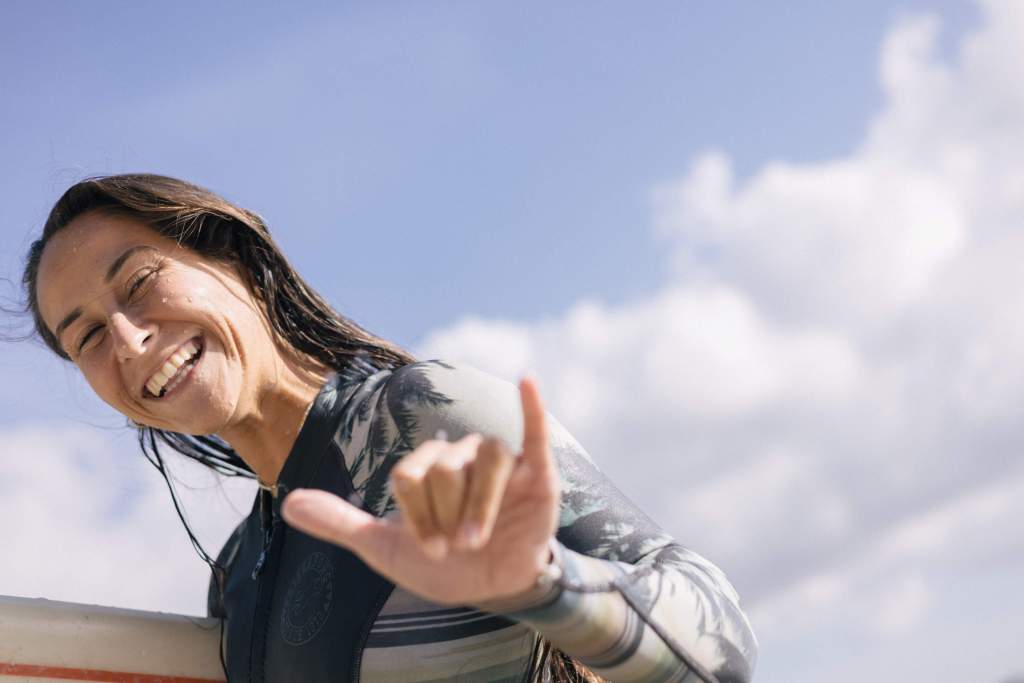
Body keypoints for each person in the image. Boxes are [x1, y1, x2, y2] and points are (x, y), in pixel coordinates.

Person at [24, 174, 758, 683]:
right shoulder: (234, 577)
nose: (126, 339)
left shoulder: (420, 416)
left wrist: (543, 584)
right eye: (85, 334)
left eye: (140, 281)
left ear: (234, 256)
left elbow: (721, 649)